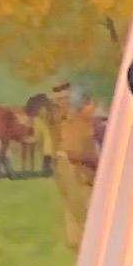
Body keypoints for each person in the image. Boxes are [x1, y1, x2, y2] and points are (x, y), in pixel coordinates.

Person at [48, 87, 104, 250]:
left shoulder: (80, 122)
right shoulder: (75, 124)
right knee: (86, 217)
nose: (93, 107)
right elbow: (73, 153)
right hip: (77, 174)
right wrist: (98, 161)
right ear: (82, 106)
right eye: (90, 104)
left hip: (77, 172)